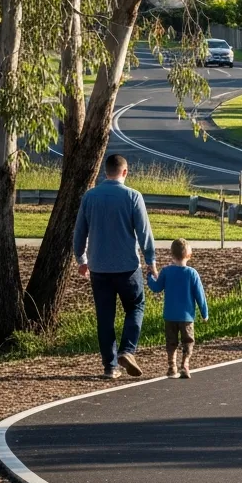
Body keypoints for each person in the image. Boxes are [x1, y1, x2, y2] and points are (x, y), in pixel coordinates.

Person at [74, 153, 157, 379]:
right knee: (136, 306)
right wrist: (151, 261)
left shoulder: (90, 197)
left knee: (105, 317)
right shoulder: (133, 196)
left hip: (99, 268)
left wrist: (81, 260)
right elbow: (144, 233)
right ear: (125, 171)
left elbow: (79, 232)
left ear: (105, 171)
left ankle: (110, 367)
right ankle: (127, 350)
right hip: (128, 266)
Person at [147, 238, 209, 379]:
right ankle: (185, 365)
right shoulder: (192, 273)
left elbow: (156, 287)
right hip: (187, 317)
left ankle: (171, 367)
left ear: (172, 255)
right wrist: (204, 313)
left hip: (170, 315)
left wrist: (149, 276)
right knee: (188, 341)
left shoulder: (166, 271)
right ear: (189, 255)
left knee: (171, 342)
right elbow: (200, 295)